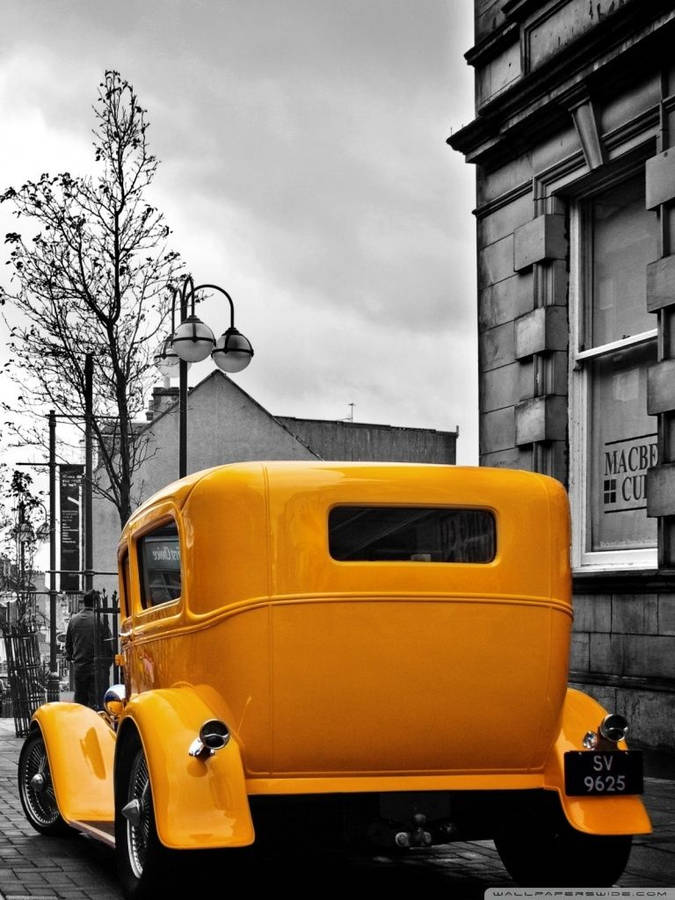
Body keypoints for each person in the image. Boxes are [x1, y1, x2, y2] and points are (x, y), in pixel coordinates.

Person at [65, 589, 114, 709]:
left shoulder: (73, 620)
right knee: (96, 704)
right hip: (97, 668)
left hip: (80, 668)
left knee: (81, 703)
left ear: (84, 603)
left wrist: (74, 657)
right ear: (97, 603)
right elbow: (109, 646)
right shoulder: (101, 620)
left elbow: (68, 647)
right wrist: (107, 664)